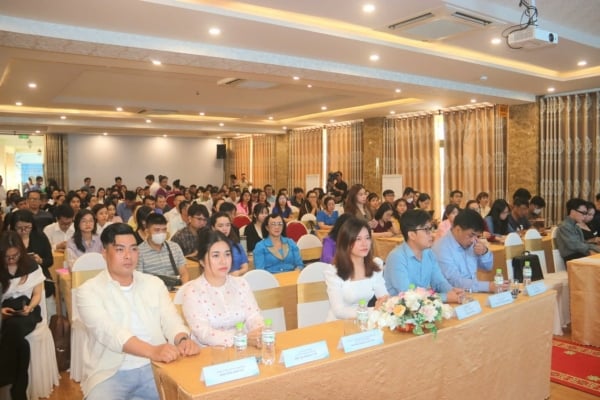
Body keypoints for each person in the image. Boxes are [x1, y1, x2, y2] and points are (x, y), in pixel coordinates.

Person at [76, 223, 199, 399]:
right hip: (111, 372)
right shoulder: (88, 291)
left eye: (133, 249)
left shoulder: (153, 283)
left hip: (156, 366)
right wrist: (152, 350)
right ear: (104, 253)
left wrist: (183, 338)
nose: (128, 256)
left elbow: (170, 319)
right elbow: (110, 332)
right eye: (120, 249)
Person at [182, 230, 263, 347]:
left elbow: (254, 316)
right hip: (209, 355)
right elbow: (204, 333)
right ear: (202, 261)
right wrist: (241, 339)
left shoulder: (241, 284)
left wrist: (259, 331)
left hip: (244, 350)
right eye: (216, 255)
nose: (223, 261)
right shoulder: (192, 292)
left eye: (227, 254)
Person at [0, 231, 45, 400]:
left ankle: (4, 376)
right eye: (7, 257)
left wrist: (30, 308)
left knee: (14, 327)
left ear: (21, 251)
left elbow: (37, 295)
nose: (11, 260)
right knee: (22, 346)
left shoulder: (31, 265)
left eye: (15, 255)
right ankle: (19, 390)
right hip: (6, 310)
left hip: (28, 310)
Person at [383, 210, 462, 303]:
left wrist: (452, 291)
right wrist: (445, 297)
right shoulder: (397, 257)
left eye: (431, 229)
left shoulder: (429, 253)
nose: (431, 235)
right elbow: (408, 295)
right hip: (399, 312)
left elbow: (439, 282)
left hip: (424, 309)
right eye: (426, 230)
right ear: (412, 235)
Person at [324, 217, 388, 320]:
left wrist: (384, 304)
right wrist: (374, 310)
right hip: (339, 325)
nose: (364, 243)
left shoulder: (375, 265)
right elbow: (339, 311)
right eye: (358, 239)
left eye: (367, 238)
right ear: (346, 242)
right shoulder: (333, 272)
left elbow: (383, 297)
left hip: (366, 321)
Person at [432, 209, 497, 293]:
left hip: (473, 293)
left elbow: (488, 268)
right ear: (458, 229)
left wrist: (484, 252)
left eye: (477, 236)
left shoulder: (472, 242)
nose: (473, 240)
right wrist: (488, 286)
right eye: (471, 235)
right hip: (453, 297)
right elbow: (455, 282)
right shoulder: (441, 248)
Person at [7, 210, 54, 299]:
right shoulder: (9, 240)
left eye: (27, 227)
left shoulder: (40, 237)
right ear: (13, 227)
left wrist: (40, 260)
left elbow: (50, 261)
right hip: (15, 280)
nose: (24, 231)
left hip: (39, 278)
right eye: (19, 228)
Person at [137, 213, 189, 283]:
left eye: (164, 230)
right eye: (157, 230)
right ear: (147, 231)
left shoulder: (175, 247)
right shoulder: (138, 252)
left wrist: (183, 290)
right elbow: (138, 279)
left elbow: (184, 273)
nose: (161, 233)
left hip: (175, 289)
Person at [555, 198, 600, 262]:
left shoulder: (576, 226)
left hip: (579, 255)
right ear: (573, 211)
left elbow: (582, 243)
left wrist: (595, 248)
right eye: (583, 213)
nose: (584, 216)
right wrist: (593, 249)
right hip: (573, 259)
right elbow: (575, 246)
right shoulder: (564, 226)